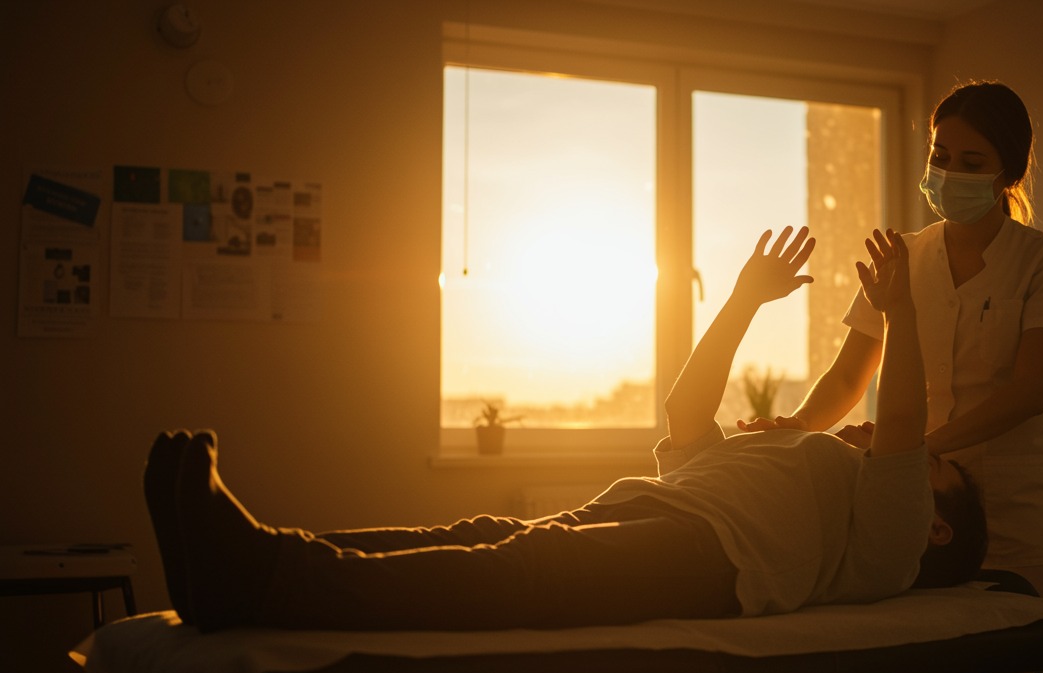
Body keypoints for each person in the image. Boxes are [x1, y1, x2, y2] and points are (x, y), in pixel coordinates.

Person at [142, 226, 987, 635]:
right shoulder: (799, 456)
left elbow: (903, 419)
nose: (901, 445)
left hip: (707, 561)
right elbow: (686, 414)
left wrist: (899, 313)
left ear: (935, 522)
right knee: (477, 535)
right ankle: (247, 564)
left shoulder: (891, 544)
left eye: (930, 467)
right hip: (656, 512)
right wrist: (739, 301)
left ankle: (256, 579)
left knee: (514, 573)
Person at [739, 82, 1043, 673]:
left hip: (1020, 508)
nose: (950, 173)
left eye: (971, 161)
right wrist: (795, 428)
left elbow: (1027, 392)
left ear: (1009, 171)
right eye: (941, 155)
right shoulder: (902, 256)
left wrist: (909, 451)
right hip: (911, 512)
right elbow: (849, 376)